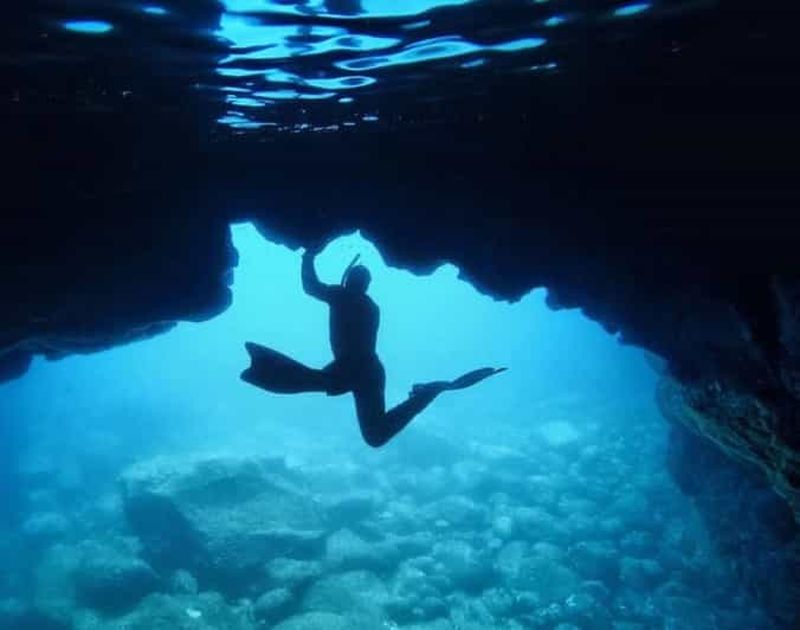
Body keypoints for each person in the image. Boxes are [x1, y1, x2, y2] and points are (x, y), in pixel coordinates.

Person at [241, 244, 505, 447]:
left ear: (350, 281)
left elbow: (310, 287)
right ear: (366, 285)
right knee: (375, 435)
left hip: (357, 369)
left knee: (322, 390)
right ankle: (428, 393)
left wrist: (308, 256)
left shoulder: (342, 296)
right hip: (367, 370)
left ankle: (428, 393)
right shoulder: (368, 305)